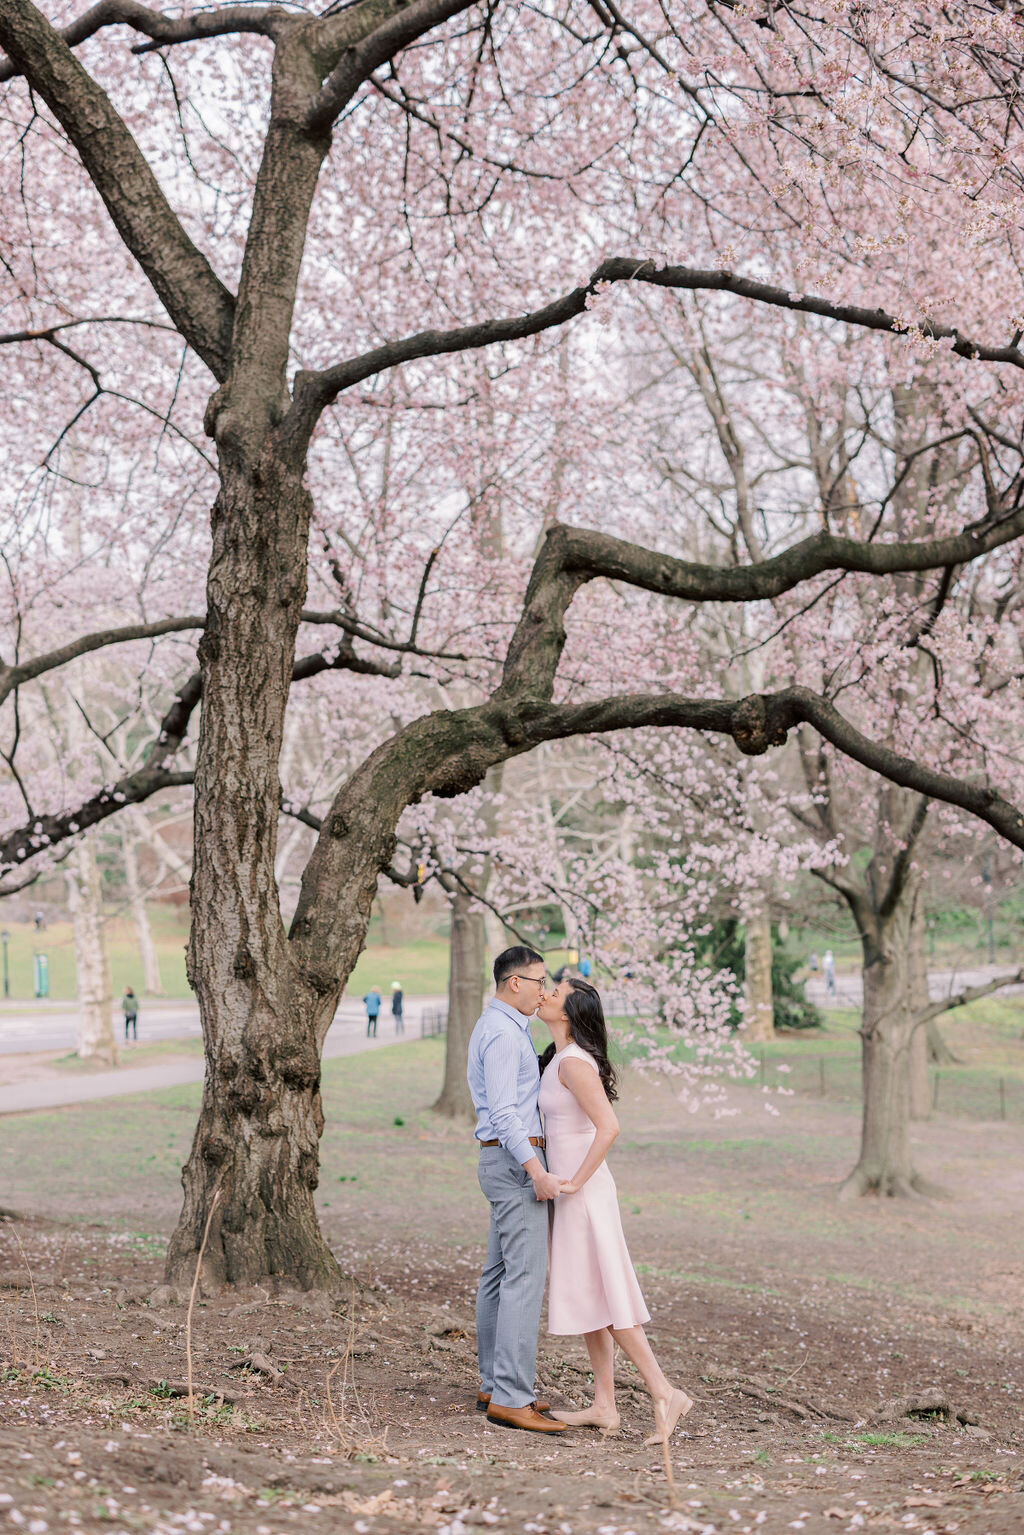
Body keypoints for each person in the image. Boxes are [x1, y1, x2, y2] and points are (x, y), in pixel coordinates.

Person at [536, 976, 694, 1445]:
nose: (544, 993)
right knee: (591, 1296)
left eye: (554, 992)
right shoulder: (558, 1059)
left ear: (568, 1012)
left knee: (608, 1297)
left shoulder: (574, 1064)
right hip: (572, 1194)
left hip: (584, 1194)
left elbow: (609, 1127)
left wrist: (576, 1183)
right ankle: (605, 1405)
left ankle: (665, 1393)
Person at [466, 946, 566, 1436]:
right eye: (539, 980)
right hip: (514, 1162)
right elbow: (505, 1113)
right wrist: (536, 1170)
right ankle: (510, 1397)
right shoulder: (504, 1034)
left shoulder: (502, 1026)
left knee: (499, 1274)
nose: (544, 990)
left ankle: (493, 1385)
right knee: (524, 1278)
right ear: (514, 983)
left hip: (501, 1161)